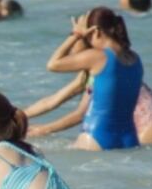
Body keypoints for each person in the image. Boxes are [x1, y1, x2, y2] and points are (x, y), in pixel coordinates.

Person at [34, 9, 143, 150]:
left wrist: (75, 35)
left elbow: (53, 64)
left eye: (87, 37)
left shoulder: (98, 57)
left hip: (97, 135)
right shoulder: (135, 59)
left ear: (96, 31)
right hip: (130, 139)